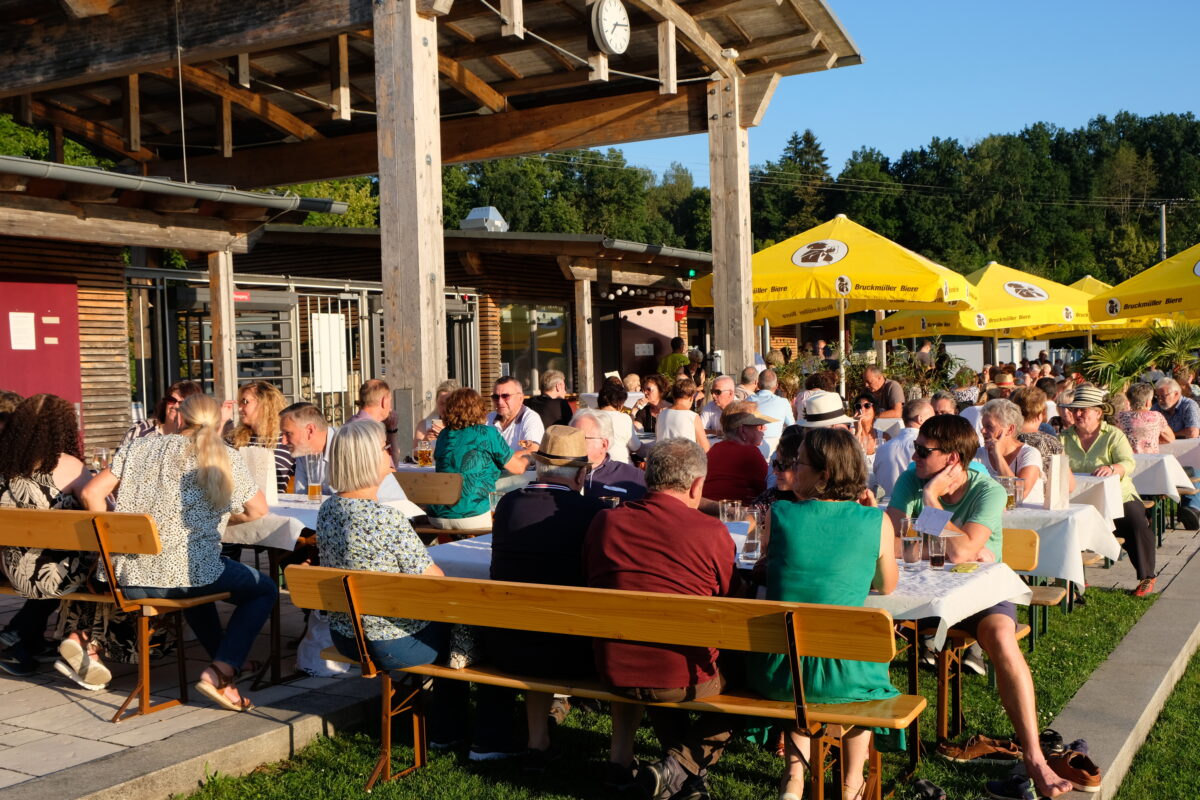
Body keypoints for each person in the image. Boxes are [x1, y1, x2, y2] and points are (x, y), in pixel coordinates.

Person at [885, 415, 1073, 800]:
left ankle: (1035, 757)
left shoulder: (986, 490)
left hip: (981, 592)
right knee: (870, 623)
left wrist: (932, 503)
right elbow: (888, 540)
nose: (915, 456)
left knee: (1002, 638)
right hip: (919, 590)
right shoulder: (910, 478)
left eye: (923, 451)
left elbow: (959, 552)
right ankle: (870, 739)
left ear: (952, 458)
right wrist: (933, 544)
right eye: (916, 448)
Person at [82, 394, 273, 712]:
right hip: (186, 574)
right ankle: (222, 670)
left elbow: (91, 492)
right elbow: (258, 510)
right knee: (263, 590)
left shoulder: (137, 447)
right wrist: (222, 516)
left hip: (127, 577)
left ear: (180, 418)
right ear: (218, 423)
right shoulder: (223, 455)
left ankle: (221, 663)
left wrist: (112, 541)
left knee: (198, 583)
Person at [748, 428, 899, 800]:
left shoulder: (779, 514)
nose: (791, 470)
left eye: (798, 463)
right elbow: (888, 585)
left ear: (823, 475)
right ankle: (851, 784)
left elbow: (770, 561)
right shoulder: (876, 522)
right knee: (854, 663)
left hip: (779, 672)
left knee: (802, 650)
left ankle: (794, 780)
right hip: (849, 679)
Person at [584, 438, 739, 800]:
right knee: (752, 683)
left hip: (614, 667)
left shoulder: (605, 522)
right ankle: (681, 766)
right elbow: (728, 597)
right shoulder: (711, 532)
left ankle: (680, 776)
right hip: (678, 677)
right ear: (697, 485)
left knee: (662, 654)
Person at [487, 425, 604, 769]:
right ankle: (620, 758)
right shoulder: (592, 512)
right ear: (582, 474)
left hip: (509, 647)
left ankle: (538, 741)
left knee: (533, 618)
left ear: (539, 465)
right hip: (574, 653)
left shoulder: (508, 505)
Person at [318, 419, 447, 669]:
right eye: (384, 447)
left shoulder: (328, 509)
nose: (390, 451)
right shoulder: (385, 517)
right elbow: (434, 582)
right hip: (391, 643)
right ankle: (446, 708)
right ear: (366, 459)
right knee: (467, 627)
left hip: (346, 636)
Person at [0, 394, 91, 678]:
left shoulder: (5, 464)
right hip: (54, 573)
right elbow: (101, 507)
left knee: (49, 562)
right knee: (95, 567)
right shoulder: (70, 466)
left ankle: (31, 638)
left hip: (10, 565)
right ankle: (18, 634)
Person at [1061, 387, 1157, 596]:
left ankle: (1147, 576)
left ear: (1098, 412)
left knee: (1135, 521)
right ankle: (1076, 579)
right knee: (1064, 524)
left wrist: (1113, 468)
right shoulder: (1064, 438)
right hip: (1078, 498)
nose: (1077, 414)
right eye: (1076, 409)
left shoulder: (1113, 435)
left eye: (1083, 410)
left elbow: (1128, 463)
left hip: (1117, 495)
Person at [427, 388, 529, 529]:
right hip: (473, 513)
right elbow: (518, 468)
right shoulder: (487, 433)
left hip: (437, 515)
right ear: (479, 409)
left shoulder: (444, 435)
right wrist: (529, 457)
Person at [229, 380, 294, 493]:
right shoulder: (235, 439)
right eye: (240, 402)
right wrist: (221, 422)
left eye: (245, 402)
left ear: (264, 404)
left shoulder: (286, 439)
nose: (239, 408)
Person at [1152, 377, 1200, 528]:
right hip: (1164, 455)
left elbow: (1192, 432)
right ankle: (1153, 512)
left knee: (1192, 468)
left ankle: (1191, 509)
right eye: (1158, 396)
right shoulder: (1155, 408)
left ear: (1177, 394)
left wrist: (1170, 435)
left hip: (1188, 451)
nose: (1160, 400)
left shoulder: (1189, 405)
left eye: (1163, 396)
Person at [702, 403, 773, 503]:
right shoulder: (749, 452)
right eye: (759, 425)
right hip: (735, 514)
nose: (765, 428)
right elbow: (768, 488)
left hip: (709, 510)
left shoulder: (715, 449)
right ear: (743, 430)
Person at [977, 399, 1044, 505]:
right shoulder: (979, 454)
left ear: (1010, 429)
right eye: (983, 426)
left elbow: (1018, 495)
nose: (982, 431)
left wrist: (997, 455)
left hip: (1027, 517)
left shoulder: (1029, 454)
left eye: (989, 426)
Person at [571, 409, 646, 502]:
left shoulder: (634, 477)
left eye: (581, 438)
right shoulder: (557, 476)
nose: (572, 442)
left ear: (603, 444)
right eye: (571, 437)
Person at [1011, 387, 1074, 492]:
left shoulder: (1005, 439)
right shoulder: (1051, 443)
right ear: (1041, 414)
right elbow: (1069, 485)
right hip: (1042, 504)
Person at [873, 398, 932, 496]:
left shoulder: (882, 448)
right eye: (932, 417)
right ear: (920, 419)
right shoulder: (927, 447)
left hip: (885, 506)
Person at [119, 380, 203, 447]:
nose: (175, 406)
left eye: (182, 403)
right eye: (172, 400)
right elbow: (118, 462)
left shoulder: (199, 438)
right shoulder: (140, 430)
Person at [280, 404, 336, 495]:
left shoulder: (350, 447)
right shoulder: (303, 451)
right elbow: (301, 497)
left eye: (288, 433)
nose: (283, 441)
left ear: (310, 430)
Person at [487, 376, 545, 455]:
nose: (500, 401)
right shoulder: (489, 419)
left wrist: (499, 460)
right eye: (496, 397)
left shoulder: (531, 419)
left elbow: (531, 452)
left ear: (520, 398)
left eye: (505, 396)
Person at [1118, 382, 1174, 454]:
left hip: (1128, 460)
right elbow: (1170, 438)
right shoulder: (1157, 417)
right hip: (1151, 460)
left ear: (1129, 401)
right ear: (1148, 402)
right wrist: (1151, 441)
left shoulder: (1120, 417)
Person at [656, 378, 709, 452]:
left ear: (673, 396)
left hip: (662, 460)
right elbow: (705, 448)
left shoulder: (661, 414)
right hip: (685, 461)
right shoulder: (693, 416)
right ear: (691, 398)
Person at [750, 369, 795, 454]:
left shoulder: (747, 401)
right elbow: (792, 426)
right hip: (774, 451)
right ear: (776, 385)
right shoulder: (783, 402)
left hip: (752, 450)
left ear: (758, 384)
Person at [596, 381, 640, 464]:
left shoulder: (589, 417)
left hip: (595, 468)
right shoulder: (624, 418)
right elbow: (635, 446)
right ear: (621, 403)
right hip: (621, 465)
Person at [413, 379, 460, 449]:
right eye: (441, 403)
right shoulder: (425, 425)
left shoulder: (466, 426)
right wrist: (426, 442)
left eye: (449, 404)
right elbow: (419, 458)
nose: (445, 407)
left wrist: (448, 435)